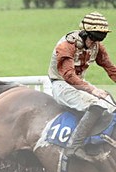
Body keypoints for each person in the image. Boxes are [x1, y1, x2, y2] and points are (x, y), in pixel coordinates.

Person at [48, 11, 116, 160]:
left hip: (80, 84)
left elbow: (110, 69)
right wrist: (92, 90)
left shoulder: (97, 46)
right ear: (84, 33)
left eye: (99, 39)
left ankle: (98, 141)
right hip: (61, 84)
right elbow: (68, 75)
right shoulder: (66, 46)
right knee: (96, 105)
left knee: (111, 105)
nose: (94, 43)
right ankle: (73, 147)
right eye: (93, 38)